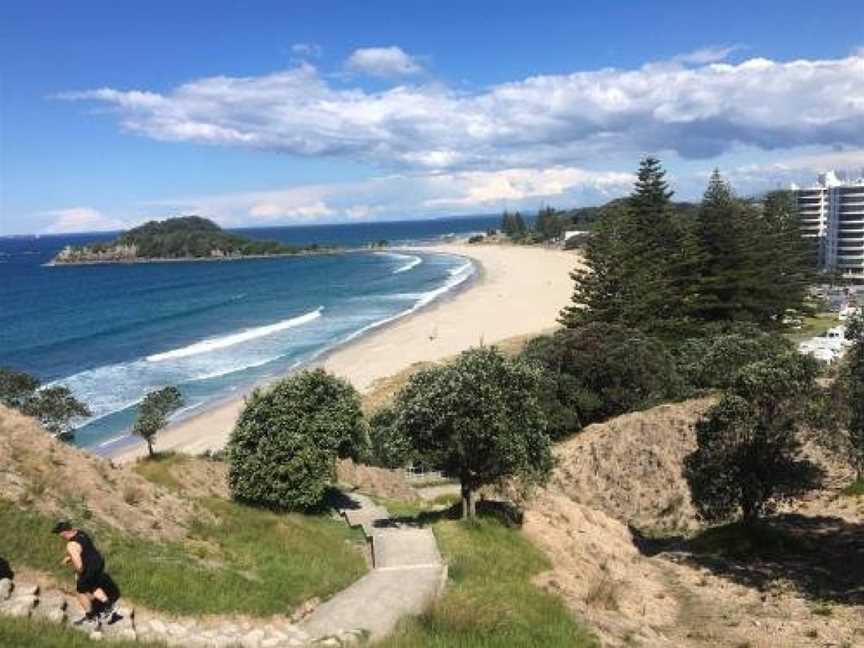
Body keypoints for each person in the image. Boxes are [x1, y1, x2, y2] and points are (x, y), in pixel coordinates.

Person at [52, 520, 114, 626]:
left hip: (89, 568)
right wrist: (69, 557)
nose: (60, 536)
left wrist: (79, 573)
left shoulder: (71, 545)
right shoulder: (80, 533)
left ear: (63, 532)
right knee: (92, 585)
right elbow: (84, 548)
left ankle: (91, 617)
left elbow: (79, 565)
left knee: (80, 590)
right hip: (98, 562)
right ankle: (108, 606)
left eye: (59, 533)